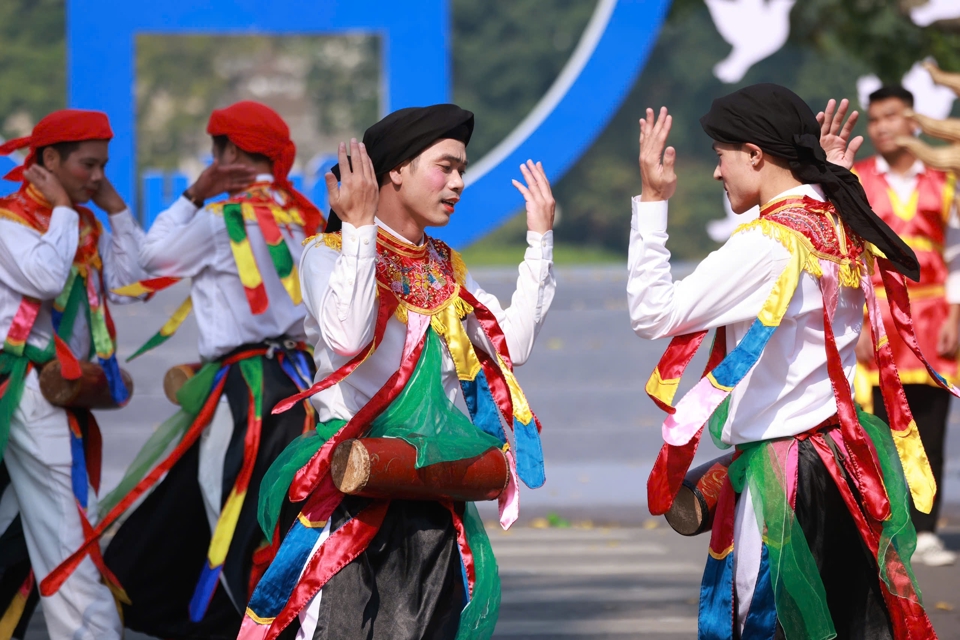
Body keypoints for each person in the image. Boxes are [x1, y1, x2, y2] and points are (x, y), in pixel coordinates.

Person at [630, 85, 948, 638]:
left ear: (755, 154)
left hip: (783, 478)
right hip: (844, 465)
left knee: (765, 624)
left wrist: (652, 202)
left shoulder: (768, 242)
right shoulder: (842, 225)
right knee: (851, 621)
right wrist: (828, 174)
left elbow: (654, 313)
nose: (716, 173)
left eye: (720, 156)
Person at [239, 104, 556, 640]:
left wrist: (540, 240)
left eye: (461, 170)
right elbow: (349, 338)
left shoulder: (447, 269)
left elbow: (511, 345)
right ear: (397, 171)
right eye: (446, 166)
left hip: (428, 493)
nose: (458, 183)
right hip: (351, 494)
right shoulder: (326, 254)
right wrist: (361, 227)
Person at [39, 101, 322, 640]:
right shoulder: (300, 216)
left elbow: (150, 260)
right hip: (300, 386)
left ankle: (254, 626)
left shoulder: (222, 219)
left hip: (247, 392)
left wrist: (195, 193)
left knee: (230, 523)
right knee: (270, 515)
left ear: (230, 152)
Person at [0, 109, 145, 639]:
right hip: (23, 390)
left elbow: (132, 277)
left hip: (57, 393)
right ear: (49, 161)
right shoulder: (7, 221)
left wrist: (118, 211)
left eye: (104, 165)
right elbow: (44, 277)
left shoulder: (83, 222)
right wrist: (63, 208)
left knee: (33, 519)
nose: (98, 176)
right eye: (88, 165)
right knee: (67, 525)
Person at [854, 84, 958, 567]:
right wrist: (852, 320)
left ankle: (927, 527)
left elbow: (957, 250)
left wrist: (956, 313)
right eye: (875, 119)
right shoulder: (855, 180)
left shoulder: (947, 178)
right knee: (877, 426)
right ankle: (884, 523)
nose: (883, 126)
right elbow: (848, 258)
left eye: (892, 116)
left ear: (913, 121)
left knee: (930, 425)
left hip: (933, 314)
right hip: (875, 317)